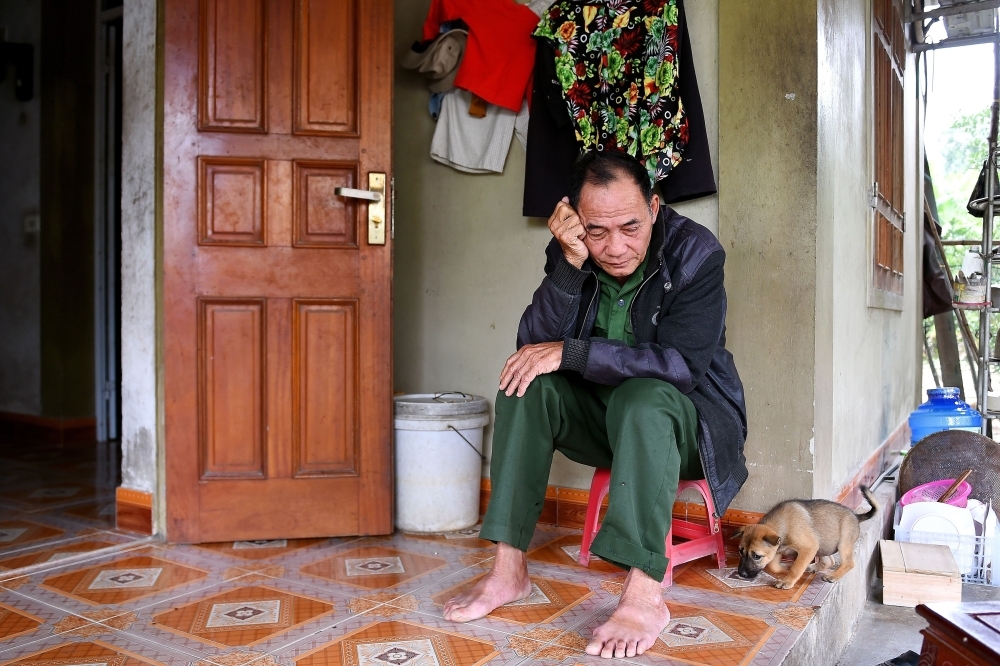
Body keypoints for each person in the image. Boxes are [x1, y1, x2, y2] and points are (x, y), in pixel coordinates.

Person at [443, 150, 748, 659]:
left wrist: (576, 351)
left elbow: (681, 368)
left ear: (654, 206)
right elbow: (533, 344)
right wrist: (566, 265)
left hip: (685, 429)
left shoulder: (696, 254)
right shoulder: (573, 247)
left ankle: (645, 591)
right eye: (597, 231)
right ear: (575, 220)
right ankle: (506, 570)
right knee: (527, 380)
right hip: (604, 422)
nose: (615, 247)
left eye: (630, 226)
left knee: (645, 397)